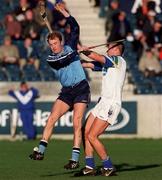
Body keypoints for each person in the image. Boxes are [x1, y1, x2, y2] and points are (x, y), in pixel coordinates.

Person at [29, 2, 90, 171]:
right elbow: (62, 60)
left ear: (61, 42)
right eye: (51, 44)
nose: (53, 47)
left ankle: (75, 159)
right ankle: (40, 151)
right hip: (67, 92)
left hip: (81, 89)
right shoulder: (51, 59)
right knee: (51, 118)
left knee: (77, 123)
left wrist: (64, 12)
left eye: (55, 43)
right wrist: (74, 52)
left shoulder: (70, 46)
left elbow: (75, 27)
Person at [75, 40, 126, 176]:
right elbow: (89, 64)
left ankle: (108, 166)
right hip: (102, 102)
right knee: (85, 132)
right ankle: (90, 166)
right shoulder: (108, 64)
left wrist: (86, 51)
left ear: (116, 49)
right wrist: (72, 60)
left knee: (92, 136)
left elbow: (96, 57)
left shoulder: (118, 60)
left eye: (108, 47)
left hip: (111, 104)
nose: (107, 49)